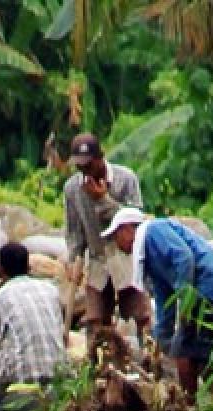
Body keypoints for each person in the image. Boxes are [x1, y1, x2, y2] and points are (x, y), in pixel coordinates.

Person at [102, 207, 213, 396]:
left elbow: (184, 257)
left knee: (184, 352)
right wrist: (161, 336)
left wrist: (185, 301)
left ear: (127, 229)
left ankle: (189, 405)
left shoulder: (154, 231)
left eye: (116, 236)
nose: (117, 244)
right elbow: (164, 298)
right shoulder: (150, 256)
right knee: (205, 356)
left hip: (212, 291)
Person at [63, 132, 151, 346]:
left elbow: (135, 221)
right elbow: (75, 230)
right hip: (98, 257)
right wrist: (73, 259)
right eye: (80, 167)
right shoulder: (72, 188)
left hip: (125, 256)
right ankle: (97, 366)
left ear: (100, 158)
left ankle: (149, 359)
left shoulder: (125, 179)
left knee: (140, 314)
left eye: (89, 165)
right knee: (94, 320)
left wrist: (103, 200)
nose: (85, 171)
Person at [0, 242, 67, 392]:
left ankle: (3, 402)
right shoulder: (51, 289)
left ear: (0, 269)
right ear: (28, 267)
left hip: (24, 375)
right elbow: (60, 330)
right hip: (57, 372)